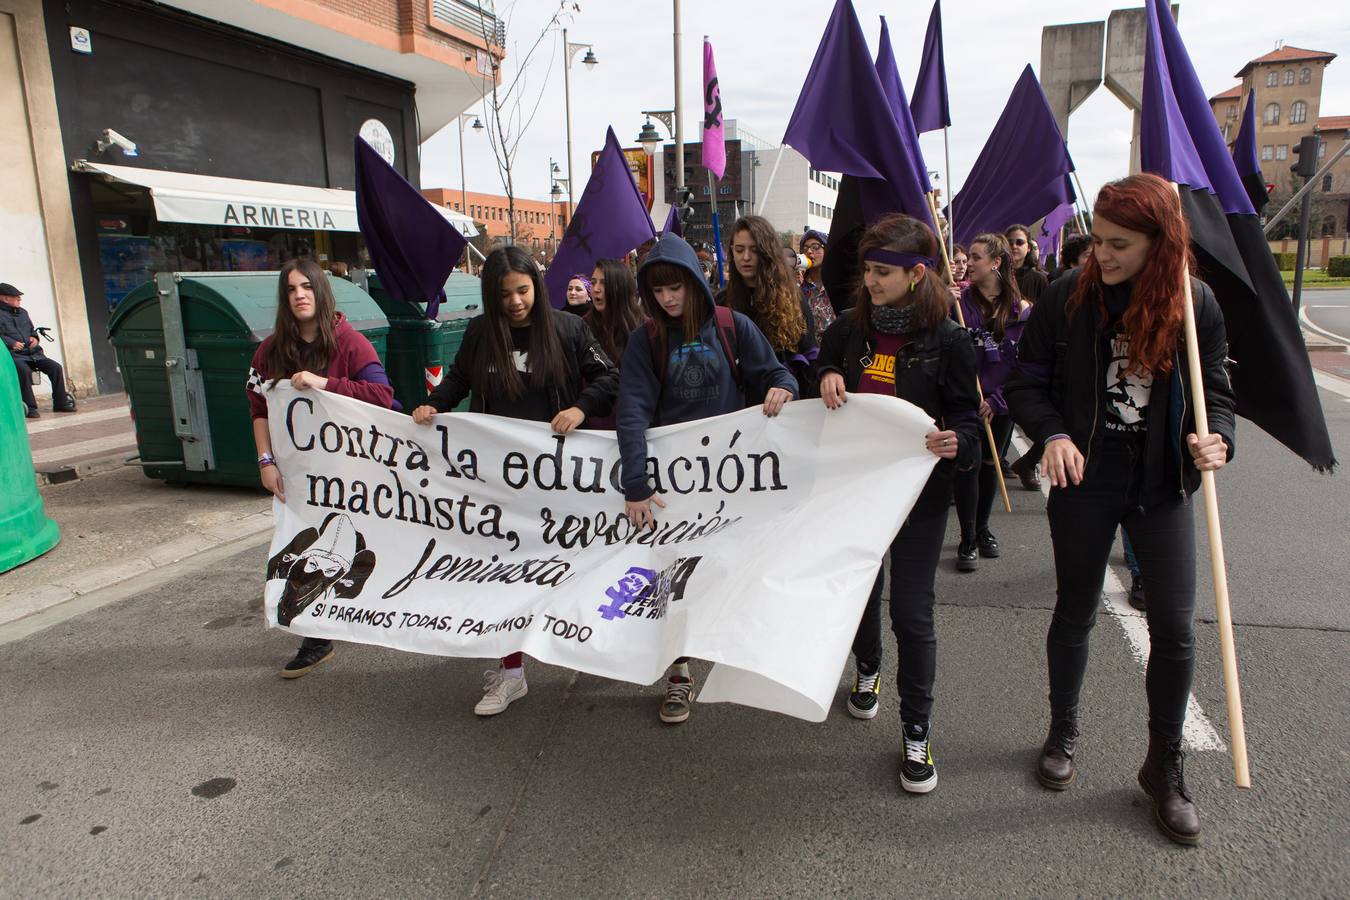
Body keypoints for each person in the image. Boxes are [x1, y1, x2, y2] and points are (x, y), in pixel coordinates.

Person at [1005, 173, 1235, 846]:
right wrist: (1051, 433)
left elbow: (1214, 386)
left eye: (1119, 244)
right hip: (1087, 478)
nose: (1101, 255)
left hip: (1162, 481)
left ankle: (1164, 765)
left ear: (1159, 244)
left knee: (1175, 626)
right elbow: (1026, 381)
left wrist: (1215, 435)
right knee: (1075, 608)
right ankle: (1062, 728)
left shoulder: (1196, 304)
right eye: (1098, 239)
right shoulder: (1064, 299)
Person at [412, 246, 618, 716]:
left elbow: (610, 378)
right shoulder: (482, 332)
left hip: (559, 481)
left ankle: (590, 643)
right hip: (499, 482)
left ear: (536, 287)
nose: (516, 302)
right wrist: (434, 405)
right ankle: (510, 673)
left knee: (569, 569)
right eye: (504, 294)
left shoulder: (569, 328)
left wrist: (579, 408)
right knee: (503, 576)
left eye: (523, 291)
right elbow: (458, 382)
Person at [817, 213, 982, 794]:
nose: (870, 281)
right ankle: (867, 668)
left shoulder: (951, 341)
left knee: (912, 614)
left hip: (919, 497)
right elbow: (820, 362)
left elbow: (969, 422)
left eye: (883, 271)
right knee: (862, 595)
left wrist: (958, 440)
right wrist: (829, 372)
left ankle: (917, 730)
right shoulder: (847, 331)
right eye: (866, 270)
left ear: (917, 274)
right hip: (855, 494)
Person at [616, 232, 798, 725]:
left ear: (695, 282)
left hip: (728, 481)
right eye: (658, 291)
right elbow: (631, 410)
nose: (668, 298)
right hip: (671, 486)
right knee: (672, 579)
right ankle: (679, 673)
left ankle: (740, 654)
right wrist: (635, 482)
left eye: (675, 287)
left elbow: (777, 375)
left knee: (725, 571)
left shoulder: (732, 327)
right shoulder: (646, 340)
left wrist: (781, 388)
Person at [247, 259, 396, 678]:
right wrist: (265, 460)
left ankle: (379, 615)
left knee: (366, 546)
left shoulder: (350, 343)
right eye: (291, 288)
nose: (299, 295)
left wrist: (323, 383)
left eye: (307, 286)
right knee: (307, 550)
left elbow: (381, 395)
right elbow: (259, 407)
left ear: (321, 292)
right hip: (303, 477)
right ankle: (316, 636)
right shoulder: (270, 350)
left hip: (354, 472)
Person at [952, 234, 1029, 572]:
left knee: (989, 465)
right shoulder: (959, 303)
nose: (969, 261)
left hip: (1001, 402)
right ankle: (967, 537)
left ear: (996, 263)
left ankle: (983, 528)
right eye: (968, 255)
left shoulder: (1021, 308)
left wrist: (997, 400)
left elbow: (1024, 362)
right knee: (966, 465)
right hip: (966, 399)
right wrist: (942, 303)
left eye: (976, 256)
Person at [721, 215, 819, 397]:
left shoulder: (793, 299)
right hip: (736, 407)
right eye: (739, 250)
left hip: (782, 405)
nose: (746, 257)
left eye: (754, 250)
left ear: (767, 252)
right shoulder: (721, 302)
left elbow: (809, 354)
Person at [583, 259, 645, 429]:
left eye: (604, 283)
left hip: (633, 426)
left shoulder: (645, 330)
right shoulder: (581, 328)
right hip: (590, 428)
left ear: (621, 286)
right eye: (593, 282)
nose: (596, 289)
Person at [1, 283, 75, 419]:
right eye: (16, 297)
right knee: (24, 371)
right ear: (5, 299)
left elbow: (31, 329)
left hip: (34, 353)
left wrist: (34, 337)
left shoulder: (23, 312)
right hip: (15, 355)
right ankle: (30, 407)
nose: (19, 299)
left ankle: (61, 402)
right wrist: (11, 343)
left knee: (55, 367)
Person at [800, 228, 837, 344]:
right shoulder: (800, 284)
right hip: (809, 351)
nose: (809, 252)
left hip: (834, 349)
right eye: (805, 248)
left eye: (815, 247)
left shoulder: (837, 283)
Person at [1004, 224, 1049, 304]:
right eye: (1010, 243)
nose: (1014, 246)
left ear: (1028, 248)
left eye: (1019, 242)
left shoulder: (1039, 279)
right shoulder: (996, 276)